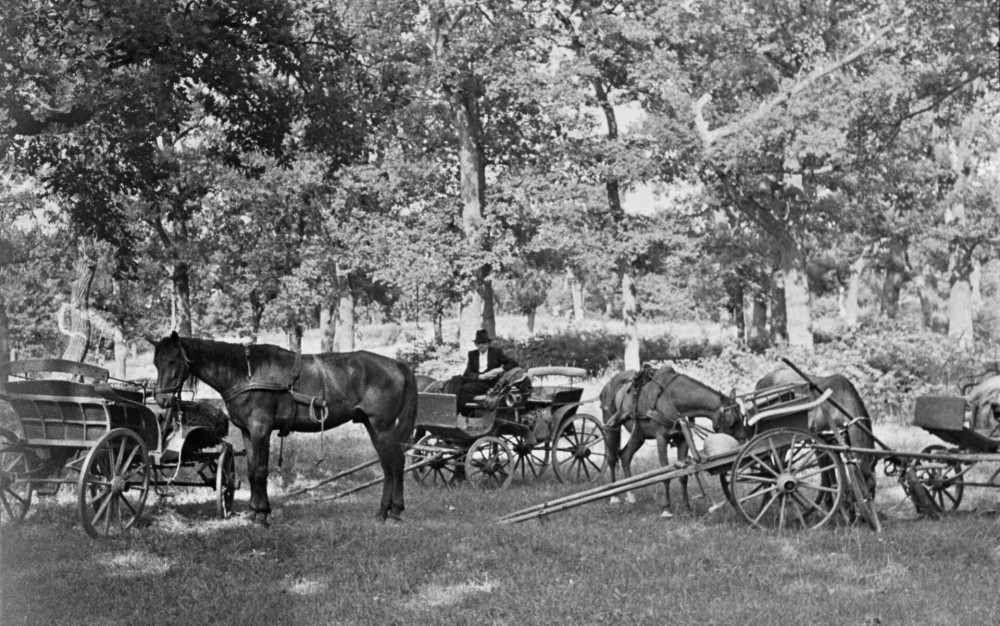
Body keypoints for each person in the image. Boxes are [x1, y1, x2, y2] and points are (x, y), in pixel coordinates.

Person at [445, 329, 519, 416]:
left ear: (488, 343)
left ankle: (456, 411)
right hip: (478, 379)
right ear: (476, 344)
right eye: (479, 343)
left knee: (465, 388)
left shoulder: (495, 352)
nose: (481, 345)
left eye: (483, 343)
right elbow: (467, 373)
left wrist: (498, 370)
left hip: (489, 383)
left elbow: (513, 363)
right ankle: (451, 408)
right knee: (455, 379)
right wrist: (481, 376)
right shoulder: (472, 354)